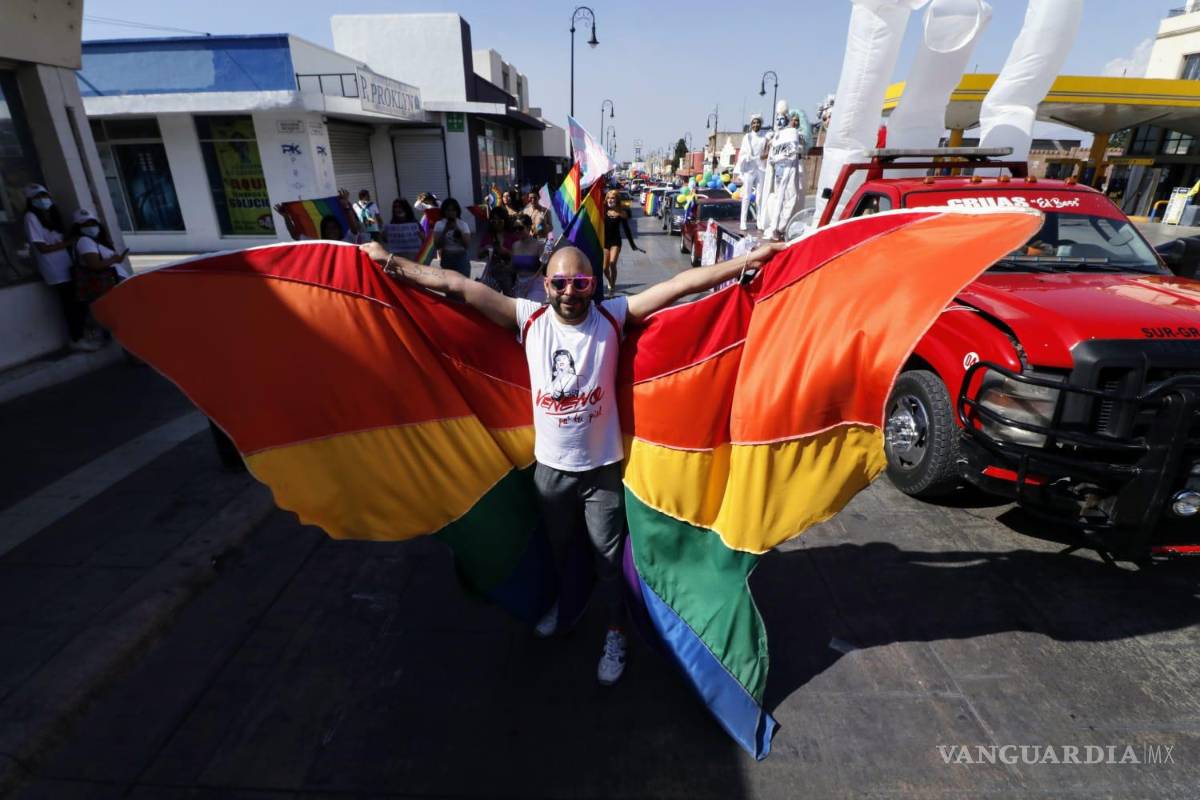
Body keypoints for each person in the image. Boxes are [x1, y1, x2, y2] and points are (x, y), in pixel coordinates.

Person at [360, 235, 786, 686]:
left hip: (601, 474)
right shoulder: (528, 318)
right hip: (550, 474)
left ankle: (616, 631)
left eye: (580, 282)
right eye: (560, 283)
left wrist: (747, 260)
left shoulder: (612, 316)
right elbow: (457, 285)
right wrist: (390, 263)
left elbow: (682, 284)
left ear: (593, 285)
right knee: (560, 550)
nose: (570, 292)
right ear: (546, 285)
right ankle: (567, 606)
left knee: (608, 562)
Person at [22, 184, 91, 351]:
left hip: (67, 265)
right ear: (31, 200)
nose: (43, 200)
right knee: (70, 304)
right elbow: (42, 247)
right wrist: (68, 243)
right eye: (38, 197)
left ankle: (83, 334)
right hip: (54, 269)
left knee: (79, 301)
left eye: (44, 196)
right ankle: (76, 338)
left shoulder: (51, 216)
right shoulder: (31, 217)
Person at [69, 208, 130, 343]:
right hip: (105, 285)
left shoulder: (96, 241)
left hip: (113, 283)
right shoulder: (85, 241)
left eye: (93, 223)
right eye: (85, 224)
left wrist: (116, 260)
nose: (91, 227)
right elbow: (94, 264)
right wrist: (113, 260)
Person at [760, 108, 808, 242]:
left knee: (791, 198)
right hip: (782, 170)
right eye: (778, 119)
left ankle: (780, 227)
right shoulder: (777, 136)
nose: (780, 122)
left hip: (792, 168)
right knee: (782, 198)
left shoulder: (793, 134)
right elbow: (766, 155)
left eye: (782, 119)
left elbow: (802, 148)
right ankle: (778, 227)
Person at [602, 188, 641, 295]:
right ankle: (610, 281)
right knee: (604, 268)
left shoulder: (622, 213)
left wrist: (632, 244)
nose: (610, 200)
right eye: (608, 198)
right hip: (605, 242)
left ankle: (612, 287)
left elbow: (627, 230)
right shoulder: (603, 211)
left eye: (613, 198)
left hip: (616, 242)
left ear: (617, 200)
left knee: (612, 263)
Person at [736, 114, 769, 232]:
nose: (756, 124)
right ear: (751, 124)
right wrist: (747, 157)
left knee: (759, 197)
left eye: (758, 122)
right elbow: (742, 153)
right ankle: (743, 221)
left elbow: (768, 148)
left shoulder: (765, 136)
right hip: (749, 169)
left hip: (761, 169)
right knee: (746, 196)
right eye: (754, 123)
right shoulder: (747, 137)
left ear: (761, 124)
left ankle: (759, 221)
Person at [432, 198, 473, 277]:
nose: (450, 213)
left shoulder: (463, 224)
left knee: (463, 281)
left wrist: (458, 230)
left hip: (461, 257)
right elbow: (437, 245)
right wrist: (445, 231)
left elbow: (467, 245)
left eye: (453, 210)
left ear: (457, 211)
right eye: (448, 210)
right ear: (444, 211)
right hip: (447, 257)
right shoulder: (439, 224)